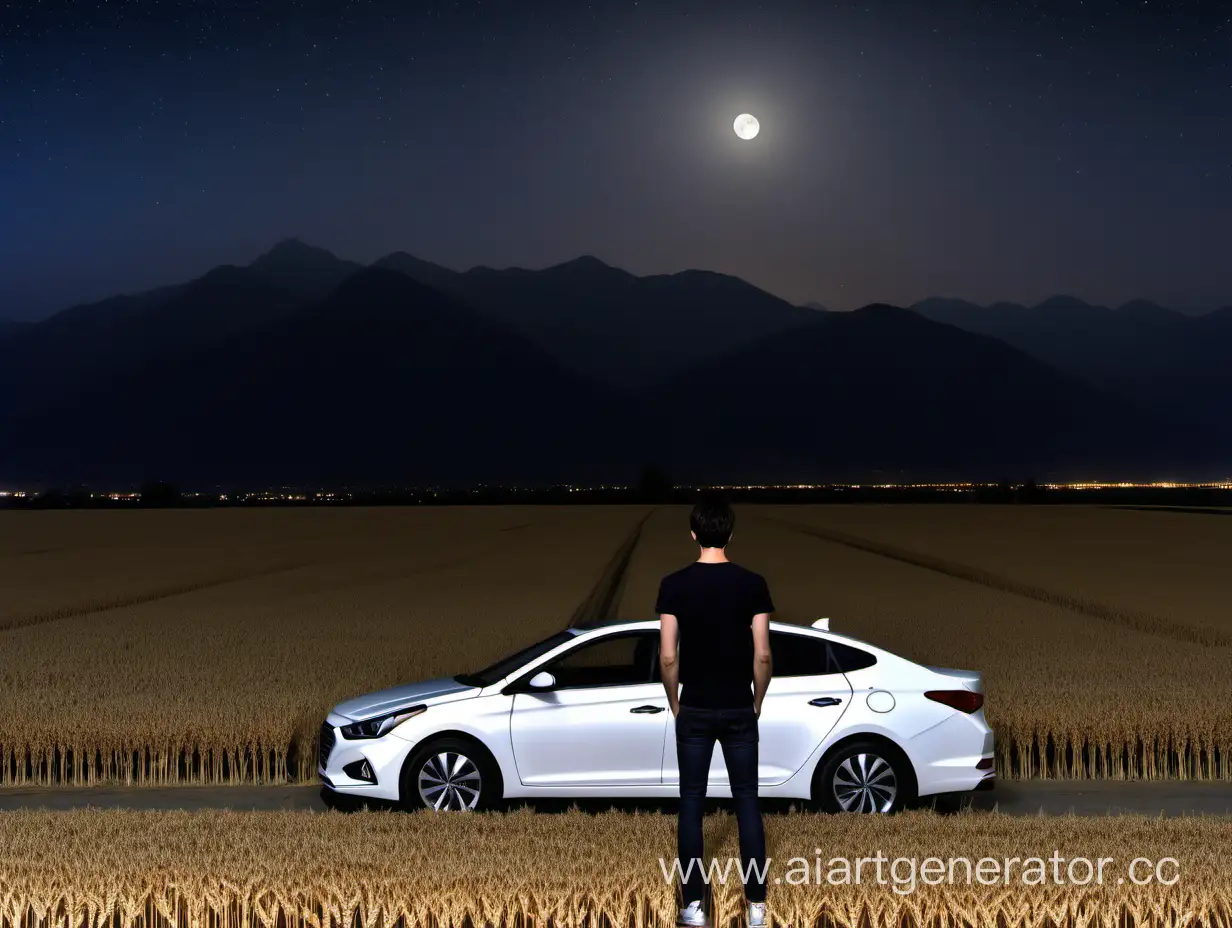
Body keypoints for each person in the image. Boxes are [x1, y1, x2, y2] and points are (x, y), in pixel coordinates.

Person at [656, 494, 772, 928]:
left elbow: (668, 656)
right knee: (747, 801)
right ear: (730, 533)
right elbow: (763, 655)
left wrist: (675, 700)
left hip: (696, 708)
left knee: (691, 801)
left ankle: (692, 906)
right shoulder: (752, 583)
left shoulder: (674, 584)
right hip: (740, 706)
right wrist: (756, 699)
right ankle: (756, 906)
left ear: (693, 534)